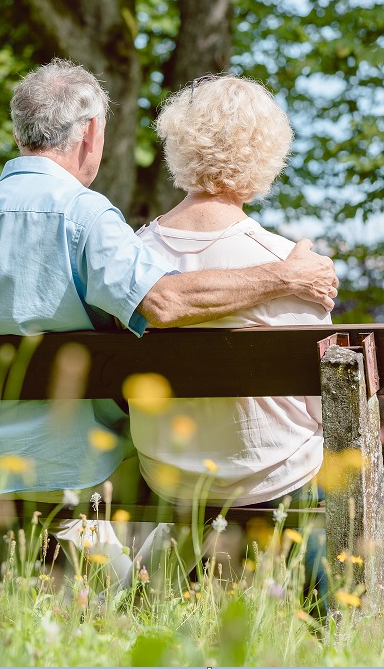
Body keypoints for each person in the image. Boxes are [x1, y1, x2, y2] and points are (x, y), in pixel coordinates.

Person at [0, 59, 338, 586]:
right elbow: (161, 302)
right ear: (91, 133)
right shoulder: (85, 217)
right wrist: (286, 277)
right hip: (68, 476)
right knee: (129, 604)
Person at [132, 74, 331, 610]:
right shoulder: (293, 266)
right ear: (268, 156)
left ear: (178, 144)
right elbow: (319, 409)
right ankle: (332, 623)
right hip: (272, 474)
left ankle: (143, 608)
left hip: (170, 472)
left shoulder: (129, 258)